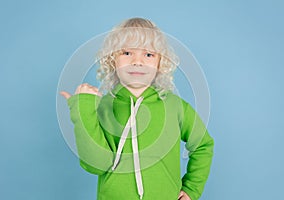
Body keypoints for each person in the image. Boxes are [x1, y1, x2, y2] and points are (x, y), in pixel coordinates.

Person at [60, 17, 214, 200]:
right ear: (112, 60)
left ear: (160, 62)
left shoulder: (175, 106)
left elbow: (203, 145)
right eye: (126, 53)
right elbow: (95, 165)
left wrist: (191, 189)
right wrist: (83, 109)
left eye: (148, 54)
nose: (137, 61)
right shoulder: (102, 107)